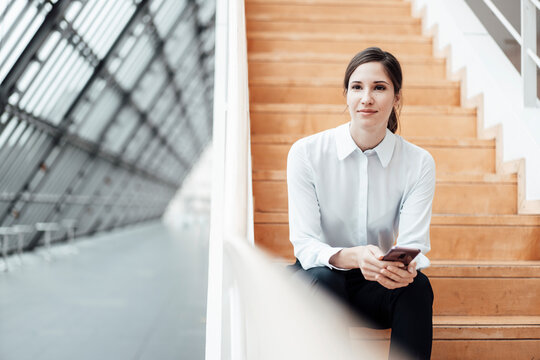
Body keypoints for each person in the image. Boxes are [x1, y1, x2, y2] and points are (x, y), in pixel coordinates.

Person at [287, 47, 436, 360]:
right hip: (318, 281)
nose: (366, 98)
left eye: (379, 88)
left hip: (375, 284)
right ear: (346, 95)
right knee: (325, 278)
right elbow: (305, 245)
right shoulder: (306, 153)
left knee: (418, 288)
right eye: (357, 87)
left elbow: (415, 243)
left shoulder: (418, 162)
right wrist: (351, 256)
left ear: (396, 98)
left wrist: (406, 269)